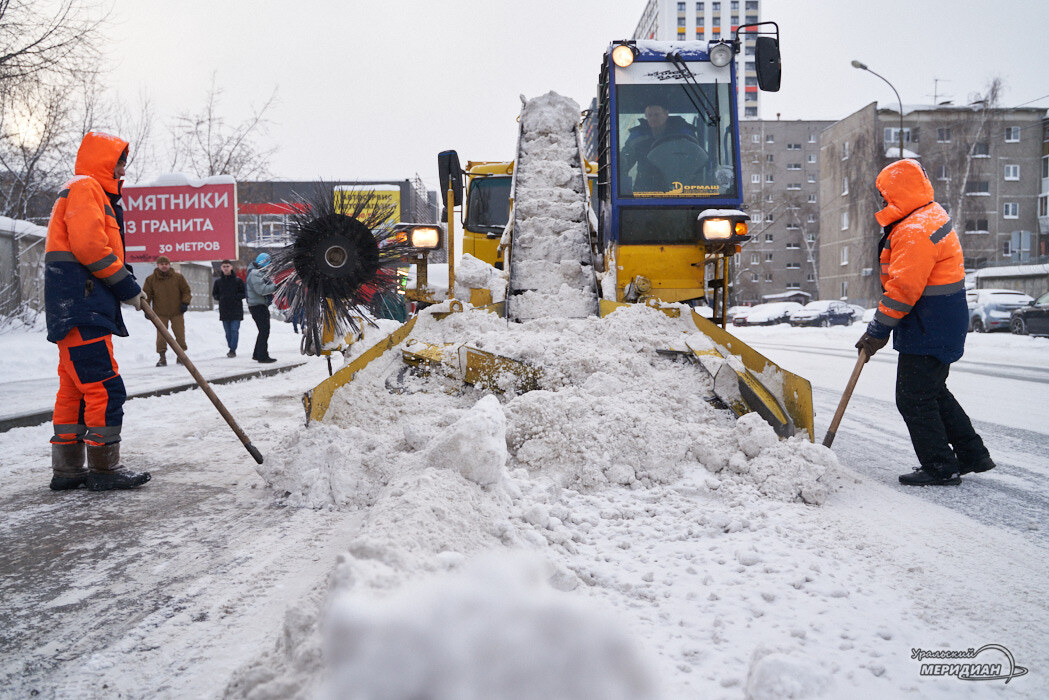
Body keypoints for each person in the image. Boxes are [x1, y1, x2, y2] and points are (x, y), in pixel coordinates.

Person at [855, 159, 994, 486]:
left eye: (885, 195)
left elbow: (903, 289)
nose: (883, 202)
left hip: (930, 323)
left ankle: (940, 467)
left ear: (900, 192)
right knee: (932, 392)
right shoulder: (927, 216)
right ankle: (973, 454)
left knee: (913, 397)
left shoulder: (915, 229)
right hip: (939, 320)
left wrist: (877, 331)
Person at [43, 131, 151, 491]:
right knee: (105, 387)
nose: (123, 170)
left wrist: (128, 282)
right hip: (82, 306)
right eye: (119, 162)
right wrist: (126, 288)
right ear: (104, 161)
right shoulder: (86, 188)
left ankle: (69, 469)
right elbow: (90, 247)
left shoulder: (85, 191)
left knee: (74, 390)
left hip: (73, 305)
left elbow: (106, 250)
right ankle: (104, 469)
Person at [619, 100, 703, 194]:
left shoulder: (684, 133)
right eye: (649, 115)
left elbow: (698, 159)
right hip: (645, 192)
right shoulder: (637, 136)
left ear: (666, 114)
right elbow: (624, 162)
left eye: (656, 114)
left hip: (680, 189)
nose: (653, 118)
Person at [142, 255, 192, 366]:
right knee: (161, 336)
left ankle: (181, 356)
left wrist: (185, 302)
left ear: (169, 265)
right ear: (157, 265)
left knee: (180, 335)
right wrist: (146, 310)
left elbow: (186, 291)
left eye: (166, 264)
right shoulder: (151, 279)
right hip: (160, 313)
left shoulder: (178, 278)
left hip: (177, 311)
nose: (164, 266)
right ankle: (162, 357)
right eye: (161, 264)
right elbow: (146, 295)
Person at [246, 252, 277, 363]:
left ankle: (257, 354)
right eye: (268, 264)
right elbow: (261, 290)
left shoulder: (257, 272)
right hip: (257, 306)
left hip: (259, 305)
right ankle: (262, 356)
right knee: (264, 330)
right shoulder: (255, 273)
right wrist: (275, 286)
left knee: (262, 330)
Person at [212, 259, 246, 357]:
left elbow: (243, 293)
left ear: (231, 267)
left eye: (227, 266)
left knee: (234, 330)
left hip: (236, 310)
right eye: (224, 266)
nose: (226, 268)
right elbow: (214, 294)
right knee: (227, 332)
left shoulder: (238, 281)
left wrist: (235, 297)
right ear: (221, 268)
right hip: (224, 310)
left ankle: (232, 349)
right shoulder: (218, 282)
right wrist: (220, 298)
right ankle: (231, 346)